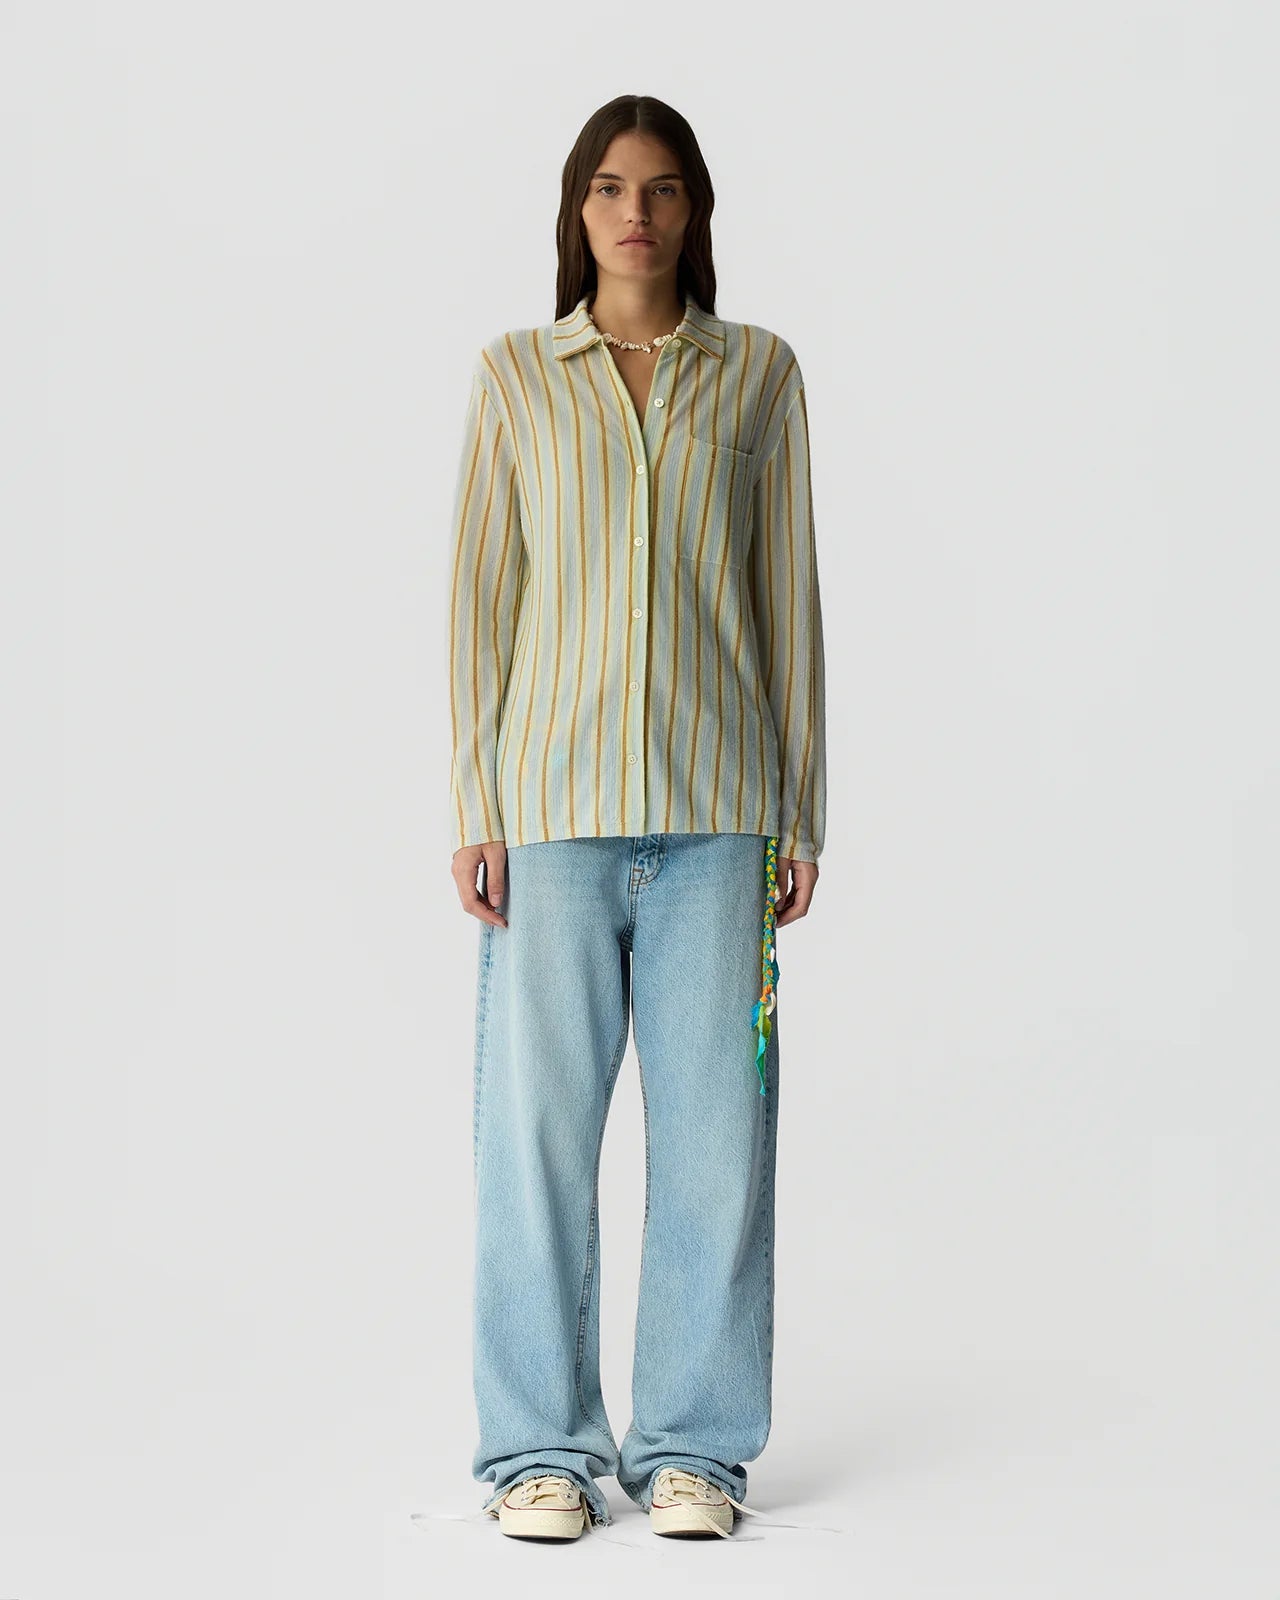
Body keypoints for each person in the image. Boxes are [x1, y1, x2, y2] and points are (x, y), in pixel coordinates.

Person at [446, 93, 827, 1541]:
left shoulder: (760, 376)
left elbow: (789, 602)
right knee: (533, 1142)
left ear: (695, 210)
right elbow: (481, 607)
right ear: (578, 208)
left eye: (662, 188)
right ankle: (536, 1450)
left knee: (718, 1145)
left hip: (721, 819)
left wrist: (801, 812)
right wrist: (475, 803)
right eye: (610, 187)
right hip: (550, 817)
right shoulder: (515, 377)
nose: (636, 213)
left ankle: (694, 1451)